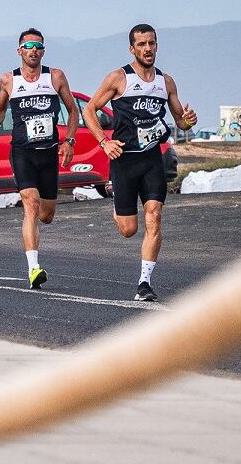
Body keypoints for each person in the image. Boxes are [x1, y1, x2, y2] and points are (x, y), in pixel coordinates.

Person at [83, 23, 197, 301]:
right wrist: (104, 142)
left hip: (151, 160)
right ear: (132, 48)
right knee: (128, 230)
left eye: (152, 43)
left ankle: (144, 282)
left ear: (157, 45)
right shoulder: (119, 78)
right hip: (123, 161)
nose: (148, 49)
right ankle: (116, 199)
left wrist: (188, 121)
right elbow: (89, 110)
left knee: (155, 215)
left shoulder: (166, 82)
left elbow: (179, 120)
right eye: (142, 44)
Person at [0, 29, 80, 289]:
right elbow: (0, 107)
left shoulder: (55, 77)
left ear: (43, 51)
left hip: (48, 153)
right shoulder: (8, 80)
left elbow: (72, 111)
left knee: (46, 215)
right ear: (19, 51)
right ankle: (33, 267)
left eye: (38, 46)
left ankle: (33, 231)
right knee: (31, 203)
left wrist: (69, 141)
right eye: (28, 46)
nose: (33, 50)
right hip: (22, 151)